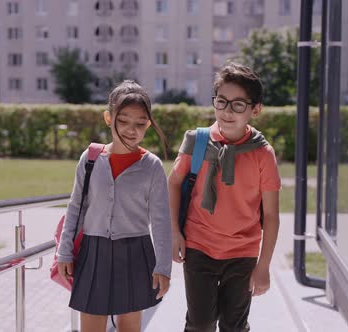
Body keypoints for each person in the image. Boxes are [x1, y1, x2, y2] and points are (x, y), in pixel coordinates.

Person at [168, 62, 281, 332]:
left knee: (234, 325)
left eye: (238, 105)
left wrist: (264, 265)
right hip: (199, 246)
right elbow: (173, 185)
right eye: (222, 102)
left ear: (255, 109)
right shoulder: (196, 141)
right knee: (201, 323)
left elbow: (272, 216)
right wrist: (174, 233)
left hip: (242, 252)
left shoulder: (263, 154)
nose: (228, 111)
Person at [57, 80, 172, 332]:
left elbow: (162, 220)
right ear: (109, 118)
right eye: (123, 121)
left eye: (140, 123)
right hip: (93, 251)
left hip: (136, 253)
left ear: (148, 125)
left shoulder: (151, 166)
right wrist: (64, 251)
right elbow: (75, 207)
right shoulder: (90, 159)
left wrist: (163, 266)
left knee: (130, 328)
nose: (131, 129)